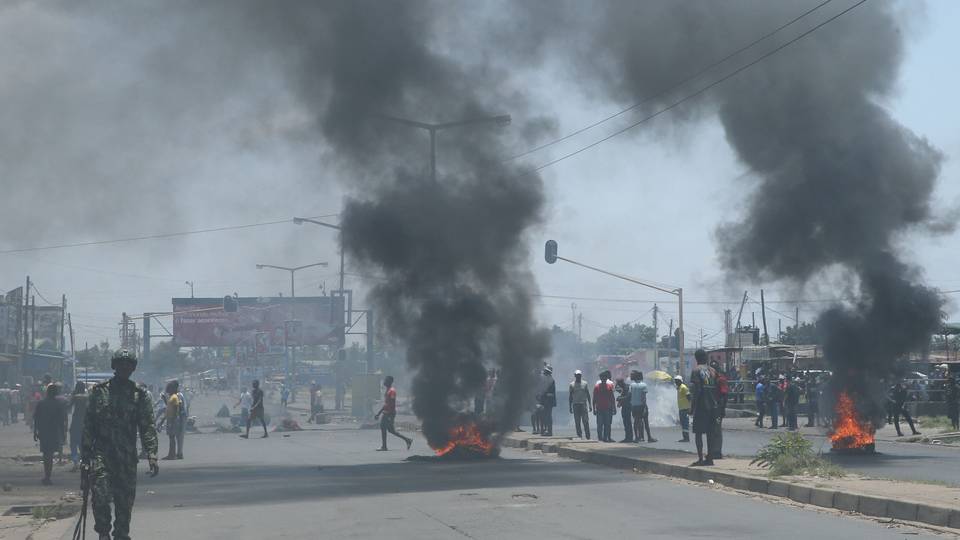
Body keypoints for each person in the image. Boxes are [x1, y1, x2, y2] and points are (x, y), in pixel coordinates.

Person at [82, 349, 159, 540]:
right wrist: (85, 457)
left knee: (124, 503)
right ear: (114, 366)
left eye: (128, 365)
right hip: (101, 455)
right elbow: (88, 425)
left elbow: (147, 426)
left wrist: (152, 454)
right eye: (120, 364)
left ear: (133, 368)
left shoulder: (139, 395)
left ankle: (121, 535)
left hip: (126, 458)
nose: (124, 368)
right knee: (100, 495)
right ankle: (103, 532)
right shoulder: (98, 392)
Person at [688, 349, 720, 466]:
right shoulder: (713, 371)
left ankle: (700, 458)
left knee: (698, 433)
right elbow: (717, 389)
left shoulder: (696, 371)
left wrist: (692, 406)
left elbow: (697, 390)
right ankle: (710, 458)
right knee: (710, 433)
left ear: (696, 359)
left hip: (702, 406)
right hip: (713, 406)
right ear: (706, 358)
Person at [34, 383, 67, 485]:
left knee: (46, 455)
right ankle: (48, 476)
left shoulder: (41, 403)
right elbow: (62, 421)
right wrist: (63, 433)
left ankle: (47, 476)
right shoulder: (58, 404)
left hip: (44, 432)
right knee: (50, 455)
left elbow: (36, 419)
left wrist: (35, 431)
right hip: (54, 432)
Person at [374, 376, 412, 451]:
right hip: (387, 412)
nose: (384, 381)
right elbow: (386, 403)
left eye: (386, 380)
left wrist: (381, 413)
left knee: (385, 428)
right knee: (389, 430)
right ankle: (407, 440)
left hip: (389, 413)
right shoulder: (388, 390)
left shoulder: (392, 391)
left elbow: (390, 403)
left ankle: (384, 446)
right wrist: (380, 412)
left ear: (389, 382)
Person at [630, 371, 656, 443]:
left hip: (634, 406)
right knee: (646, 422)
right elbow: (643, 398)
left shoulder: (631, 385)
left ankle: (636, 437)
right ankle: (649, 437)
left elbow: (631, 395)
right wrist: (644, 407)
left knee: (636, 422)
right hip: (641, 406)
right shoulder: (643, 385)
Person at [162, 381, 185, 460]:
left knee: (172, 437)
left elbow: (175, 409)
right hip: (171, 419)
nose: (167, 389)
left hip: (173, 419)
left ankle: (172, 455)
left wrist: (172, 421)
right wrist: (165, 399)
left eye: (169, 388)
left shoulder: (174, 397)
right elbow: (169, 407)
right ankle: (171, 454)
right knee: (171, 437)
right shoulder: (172, 397)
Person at [69, 382, 89, 471]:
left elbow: (68, 407)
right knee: (82, 443)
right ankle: (83, 461)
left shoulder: (75, 397)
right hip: (85, 422)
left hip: (76, 421)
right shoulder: (87, 397)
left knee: (73, 443)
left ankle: (75, 462)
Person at [593, 371, 615, 442]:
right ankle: (600, 438)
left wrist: (614, 407)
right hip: (599, 408)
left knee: (607, 424)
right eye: (602, 378)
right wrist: (594, 408)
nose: (603, 379)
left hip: (607, 408)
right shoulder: (597, 387)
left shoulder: (609, 386)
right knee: (599, 424)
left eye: (605, 378)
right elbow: (594, 398)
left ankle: (605, 437)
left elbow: (612, 397)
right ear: (600, 378)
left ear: (606, 378)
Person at [569, 370, 591, 440]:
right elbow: (570, 396)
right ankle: (579, 436)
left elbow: (588, 394)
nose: (578, 376)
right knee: (577, 422)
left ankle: (588, 436)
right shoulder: (572, 384)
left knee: (585, 421)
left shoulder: (585, 383)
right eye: (577, 375)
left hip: (583, 404)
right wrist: (570, 406)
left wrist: (590, 405)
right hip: (575, 405)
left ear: (581, 375)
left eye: (579, 375)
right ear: (575, 376)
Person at [538, 366, 557, 436]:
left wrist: (543, 395)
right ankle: (545, 430)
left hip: (548, 401)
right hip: (545, 400)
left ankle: (549, 431)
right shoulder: (546, 379)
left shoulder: (551, 380)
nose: (544, 372)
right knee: (544, 416)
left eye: (545, 371)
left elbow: (550, 393)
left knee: (548, 416)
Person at [615, 377, 633, 442]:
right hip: (625, 406)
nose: (618, 385)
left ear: (621, 383)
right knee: (626, 422)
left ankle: (629, 437)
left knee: (627, 422)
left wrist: (620, 398)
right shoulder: (623, 388)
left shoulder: (626, 387)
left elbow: (628, 396)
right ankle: (627, 437)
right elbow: (616, 389)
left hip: (627, 407)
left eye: (618, 383)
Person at [675, 375, 690, 443]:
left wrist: (690, 407)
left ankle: (686, 438)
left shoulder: (684, 387)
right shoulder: (679, 387)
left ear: (681, 381)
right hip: (681, 408)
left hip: (685, 408)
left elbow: (689, 397)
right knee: (683, 423)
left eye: (677, 381)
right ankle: (684, 437)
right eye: (675, 381)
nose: (676, 382)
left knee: (685, 423)